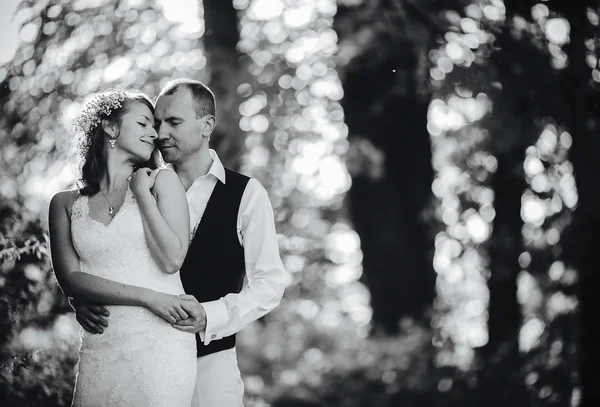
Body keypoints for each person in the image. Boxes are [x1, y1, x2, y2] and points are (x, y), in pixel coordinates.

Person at [72, 78, 291, 406]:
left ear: (207, 125)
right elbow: (104, 254)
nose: (160, 134)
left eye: (173, 122)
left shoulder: (246, 194)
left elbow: (270, 283)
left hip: (211, 368)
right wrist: (84, 300)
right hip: (138, 362)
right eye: (156, 123)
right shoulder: (135, 189)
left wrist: (209, 315)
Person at [48, 88, 197, 406]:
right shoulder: (65, 203)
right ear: (111, 128)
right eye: (143, 123)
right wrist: (148, 297)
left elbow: (172, 260)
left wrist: (141, 193)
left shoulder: (162, 184)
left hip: (162, 342)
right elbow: (71, 279)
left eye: (153, 127)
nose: (154, 133)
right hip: (101, 344)